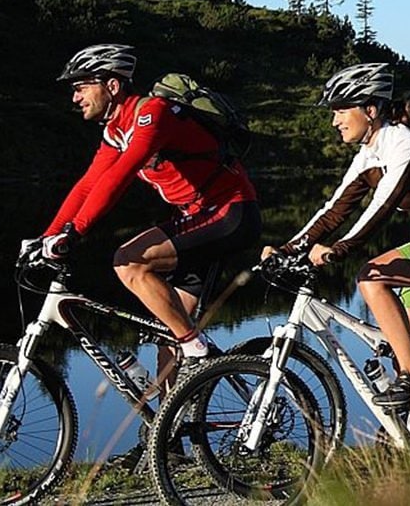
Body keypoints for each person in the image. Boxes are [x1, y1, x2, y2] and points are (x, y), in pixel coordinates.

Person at [265, 63, 410, 407]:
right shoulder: (368, 155)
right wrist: (289, 248)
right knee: (401, 347)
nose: (335, 121)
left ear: (370, 110)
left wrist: (339, 250)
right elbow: (335, 210)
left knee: (370, 278)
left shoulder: (402, 142)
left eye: (341, 110)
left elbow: (381, 206)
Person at [37, 43, 260, 375]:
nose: (75, 97)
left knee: (128, 263)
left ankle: (197, 351)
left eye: (81, 87)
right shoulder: (115, 131)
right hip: (196, 217)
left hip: (229, 213)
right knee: (168, 340)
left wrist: (77, 231)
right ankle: (171, 421)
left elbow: (122, 173)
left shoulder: (152, 113)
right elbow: (89, 184)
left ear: (112, 85)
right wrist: (48, 235)